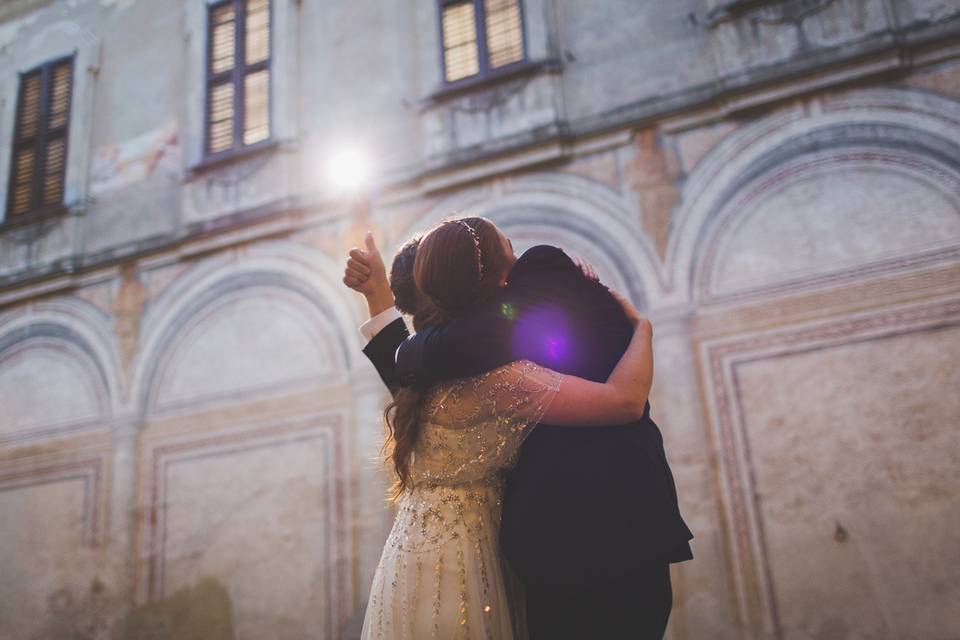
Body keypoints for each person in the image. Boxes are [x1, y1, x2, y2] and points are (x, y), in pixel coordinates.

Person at [352, 217, 694, 639]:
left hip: (419, 555)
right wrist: (644, 329)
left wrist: (377, 297)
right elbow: (625, 401)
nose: (518, 263)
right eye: (508, 251)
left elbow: (403, 362)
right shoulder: (498, 377)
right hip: (525, 552)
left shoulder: (421, 383)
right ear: (489, 280)